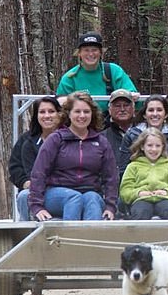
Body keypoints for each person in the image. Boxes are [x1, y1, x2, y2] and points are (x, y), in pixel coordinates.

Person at [28, 92, 119, 221]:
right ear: (68, 114)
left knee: (92, 199)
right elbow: (39, 173)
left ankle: (90, 239)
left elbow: (111, 177)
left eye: (86, 112)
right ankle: (68, 239)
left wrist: (110, 207)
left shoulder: (101, 142)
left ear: (92, 114)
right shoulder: (56, 139)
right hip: (56, 192)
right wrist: (37, 206)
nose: (82, 116)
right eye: (77, 111)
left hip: (90, 191)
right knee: (74, 198)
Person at [8, 96, 62, 221]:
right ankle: (26, 235)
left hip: (62, 189)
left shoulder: (69, 139)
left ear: (59, 114)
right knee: (23, 196)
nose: (47, 116)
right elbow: (15, 167)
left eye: (51, 111)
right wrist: (25, 182)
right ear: (36, 116)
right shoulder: (27, 141)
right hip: (33, 189)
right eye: (42, 112)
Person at [56, 31, 139, 112]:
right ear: (79, 53)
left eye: (94, 50)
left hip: (111, 122)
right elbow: (60, 108)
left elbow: (136, 100)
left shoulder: (114, 71)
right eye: (86, 50)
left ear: (101, 53)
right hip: (80, 121)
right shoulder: (69, 78)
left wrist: (133, 96)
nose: (91, 54)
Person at [119, 128, 168, 220]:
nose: (154, 149)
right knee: (141, 212)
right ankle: (139, 235)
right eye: (150, 145)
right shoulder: (133, 166)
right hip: (141, 200)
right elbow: (125, 192)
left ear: (163, 147)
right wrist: (139, 193)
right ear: (142, 146)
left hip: (165, 199)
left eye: (158, 145)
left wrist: (166, 192)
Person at [117, 94, 168, 179]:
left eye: (159, 110)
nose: (155, 114)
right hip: (136, 186)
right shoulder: (131, 136)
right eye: (151, 110)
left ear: (165, 114)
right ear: (145, 114)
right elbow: (123, 171)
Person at [103, 88, 136, 153]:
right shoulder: (102, 137)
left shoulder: (142, 134)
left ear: (133, 108)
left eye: (126, 105)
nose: (122, 109)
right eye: (117, 106)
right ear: (110, 110)